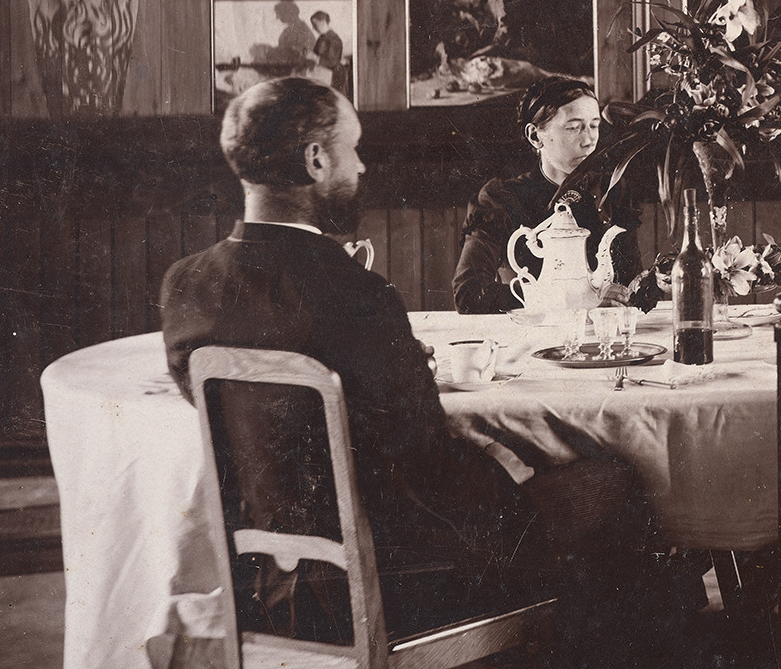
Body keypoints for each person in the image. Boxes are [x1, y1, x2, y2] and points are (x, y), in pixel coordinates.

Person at [159, 78, 670, 659]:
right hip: (401, 579)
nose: (362, 165)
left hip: (270, 583)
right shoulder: (359, 295)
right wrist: (518, 472)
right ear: (316, 160)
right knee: (614, 483)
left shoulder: (186, 286)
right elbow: (431, 467)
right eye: (352, 149)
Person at [454, 78, 640, 316]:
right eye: (573, 127)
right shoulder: (502, 198)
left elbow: (631, 282)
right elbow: (468, 294)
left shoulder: (612, 189)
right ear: (535, 136)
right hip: (534, 337)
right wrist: (567, 299)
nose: (589, 141)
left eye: (594, 126)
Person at [308, 10, 343, 90]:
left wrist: (315, 58)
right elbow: (315, 53)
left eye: (315, 25)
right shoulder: (321, 38)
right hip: (318, 73)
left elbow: (333, 63)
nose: (313, 28)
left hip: (329, 77)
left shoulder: (334, 39)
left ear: (323, 22)